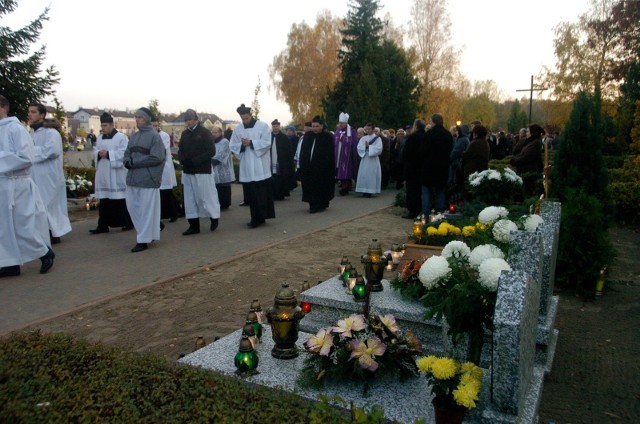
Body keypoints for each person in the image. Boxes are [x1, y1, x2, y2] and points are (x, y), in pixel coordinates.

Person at [0, 94, 55, 277]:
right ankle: (9, 263)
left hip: (17, 184)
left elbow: (26, 158)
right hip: (2, 184)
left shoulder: (15, 129)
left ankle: (45, 252)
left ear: (4, 108)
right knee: (4, 228)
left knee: (22, 225)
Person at [27, 103, 72, 244]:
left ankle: (54, 232)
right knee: (38, 204)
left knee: (49, 205)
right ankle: (43, 231)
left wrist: (29, 152)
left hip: (49, 176)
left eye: (33, 112)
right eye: (29, 112)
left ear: (42, 115)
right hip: (35, 174)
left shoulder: (52, 133)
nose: (30, 114)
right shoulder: (31, 133)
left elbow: (52, 151)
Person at [123, 107, 166, 252]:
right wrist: (127, 160)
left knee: (146, 210)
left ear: (147, 119)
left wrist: (135, 162)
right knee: (133, 207)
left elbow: (157, 157)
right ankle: (149, 232)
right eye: (136, 117)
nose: (137, 120)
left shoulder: (155, 136)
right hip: (133, 179)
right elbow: (127, 152)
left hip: (148, 179)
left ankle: (143, 239)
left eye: (140, 117)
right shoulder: (134, 136)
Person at [229, 103, 275, 229]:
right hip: (248, 167)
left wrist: (251, 143)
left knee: (261, 194)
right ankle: (255, 218)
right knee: (252, 195)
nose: (245, 121)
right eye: (243, 119)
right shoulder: (238, 129)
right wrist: (242, 145)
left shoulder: (262, 126)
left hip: (260, 166)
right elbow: (232, 145)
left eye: (247, 118)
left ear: (251, 115)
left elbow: (267, 143)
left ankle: (263, 217)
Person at [177, 109, 220, 235]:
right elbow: (180, 150)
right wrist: (182, 159)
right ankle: (194, 226)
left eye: (190, 119)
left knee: (204, 196)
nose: (188, 122)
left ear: (196, 119)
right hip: (188, 171)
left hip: (202, 170)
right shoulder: (185, 134)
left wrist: (195, 161)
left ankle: (214, 217)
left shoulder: (204, 132)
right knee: (190, 199)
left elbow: (211, 151)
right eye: (186, 120)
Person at [90, 112, 133, 233]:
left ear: (111, 125)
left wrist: (108, 154)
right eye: (102, 126)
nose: (103, 128)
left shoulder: (121, 137)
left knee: (119, 200)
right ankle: (102, 225)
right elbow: (95, 151)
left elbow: (124, 153)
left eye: (105, 126)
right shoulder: (99, 138)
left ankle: (127, 222)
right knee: (104, 200)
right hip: (103, 173)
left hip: (115, 174)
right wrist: (98, 154)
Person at [299, 115, 335, 213]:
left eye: (317, 126)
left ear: (322, 126)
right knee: (311, 186)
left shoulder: (327, 137)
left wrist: (327, 167)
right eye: (313, 126)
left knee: (320, 187)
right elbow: (303, 151)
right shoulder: (308, 136)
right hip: (309, 167)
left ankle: (321, 204)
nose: (315, 128)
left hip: (321, 168)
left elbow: (330, 154)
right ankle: (313, 205)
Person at [420, 113, 453, 214]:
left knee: (426, 191)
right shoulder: (447, 135)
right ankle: (439, 214)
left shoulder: (429, 134)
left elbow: (423, 151)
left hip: (428, 168)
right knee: (440, 191)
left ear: (433, 122)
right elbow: (450, 150)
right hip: (442, 167)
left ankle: (425, 214)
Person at [152, 118, 180, 223]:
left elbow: (161, 149)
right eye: (152, 126)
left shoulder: (164, 135)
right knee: (160, 192)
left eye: (155, 125)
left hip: (164, 166)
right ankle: (164, 214)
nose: (154, 127)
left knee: (166, 192)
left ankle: (174, 213)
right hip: (154, 167)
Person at [401, 119, 426, 218]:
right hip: (422, 167)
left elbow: (405, 153)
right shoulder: (426, 136)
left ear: (416, 126)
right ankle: (420, 209)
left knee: (412, 190)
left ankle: (412, 211)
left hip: (412, 168)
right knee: (420, 190)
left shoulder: (413, 137)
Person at [333, 112, 358, 196]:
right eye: (339, 123)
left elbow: (354, 143)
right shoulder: (338, 130)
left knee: (347, 172)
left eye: (342, 123)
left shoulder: (352, 131)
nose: (340, 124)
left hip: (347, 156)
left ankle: (344, 188)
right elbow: (335, 140)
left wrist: (343, 140)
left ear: (346, 123)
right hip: (338, 154)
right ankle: (346, 187)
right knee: (341, 172)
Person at [355, 123, 383, 198]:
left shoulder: (377, 139)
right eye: (366, 129)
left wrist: (369, 147)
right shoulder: (363, 138)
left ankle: (370, 190)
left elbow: (379, 149)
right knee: (364, 174)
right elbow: (359, 147)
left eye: (369, 129)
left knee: (371, 175)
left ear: (373, 129)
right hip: (365, 158)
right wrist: (364, 147)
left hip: (373, 159)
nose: (367, 130)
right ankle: (364, 190)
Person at [211, 125, 235, 210]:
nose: (213, 134)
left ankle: (225, 204)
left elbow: (221, 156)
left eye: (215, 132)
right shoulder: (211, 142)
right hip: (214, 169)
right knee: (216, 187)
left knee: (224, 187)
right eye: (212, 132)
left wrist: (210, 161)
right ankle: (218, 204)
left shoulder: (225, 142)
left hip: (224, 168)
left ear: (220, 133)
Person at [269, 119, 294, 200]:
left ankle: (280, 194)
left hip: (281, 162)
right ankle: (272, 194)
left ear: (279, 127)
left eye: (276, 126)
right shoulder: (268, 136)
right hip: (270, 160)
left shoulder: (284, 137)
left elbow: (288, 150)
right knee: (272, 177)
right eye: (273, 126)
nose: (275, 128)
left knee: (280, 178)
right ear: (272, 127)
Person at [448, 124, 470, 196]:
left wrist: (448, 159)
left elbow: (455, 152)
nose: (456, 132)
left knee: (454, 183)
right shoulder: (465, 139)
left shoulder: (461, 140)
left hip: (456, 165)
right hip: (459, 164)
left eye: (458, 130)